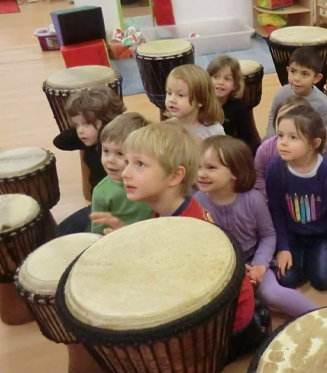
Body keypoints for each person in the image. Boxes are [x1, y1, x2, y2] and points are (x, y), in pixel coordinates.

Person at [92, 122, 255, 352]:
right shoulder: (170, 208)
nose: (125, 172)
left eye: (139, 164)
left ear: (175, 176)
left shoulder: (190, 230)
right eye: (127, 162)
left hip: (228, 323)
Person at [193, 135, 319, 318]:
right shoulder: (197, 203)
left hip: (253, 259)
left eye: (211, 168)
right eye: (198, 167)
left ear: (235, 173)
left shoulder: (254, 199)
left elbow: (268, 235)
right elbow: (202, 246)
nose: (201, 174)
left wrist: (260, 265)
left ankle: (321, 315)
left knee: (272, 293)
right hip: (220, 266)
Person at [266, 105, 327, 291]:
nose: (282, 142)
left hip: (324, 235)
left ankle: (322, 257)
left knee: (323, 281)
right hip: (293, 234)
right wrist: (282, 248)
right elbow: (276, 211)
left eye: (293, 137)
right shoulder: (275, 168)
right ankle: (305, 260)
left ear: (314, 144)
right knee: (286, 280)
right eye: (280, 135)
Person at [53, 86, 125, 236]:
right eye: (77, 125)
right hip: (97, 205)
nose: (80, 130)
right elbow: (60, 142)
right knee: (58, 233)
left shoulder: (122, 146)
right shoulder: (89, 141)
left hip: (118, 210)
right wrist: (86, 132)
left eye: (86, 124)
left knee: (89, 242)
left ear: (106, 121)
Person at [88, 113, 153, 235]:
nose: (110, 160)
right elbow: (97, 233)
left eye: (119, 154)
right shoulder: (101, 192)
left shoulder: (152, 183)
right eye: (106, 151)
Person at [264, 47, 327, 138]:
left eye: (304, 74)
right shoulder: (281, 94)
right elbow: (273, 115)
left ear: (316, 78)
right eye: (293, 71)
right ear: (288, 70)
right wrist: (270, 139)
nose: (296, 78)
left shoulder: (324, 104)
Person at [254, 96, 309, 198]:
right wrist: (270, 195)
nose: (285, 123)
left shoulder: (312, 148)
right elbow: (258, 177)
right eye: (281, 119)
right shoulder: (265, 149)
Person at [207, 55, 259, 152]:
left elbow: (247, 139)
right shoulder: (201, 103)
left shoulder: (238, 108)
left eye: (227, 79)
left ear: (235, 85)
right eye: (216, 77)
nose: (220, 82)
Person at [165, 64, 225, 141]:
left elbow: (222, 152)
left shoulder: (214, 131)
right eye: (169, 93)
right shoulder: (166, 128)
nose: (172, 99)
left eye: (181, 95)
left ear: (200, 100)